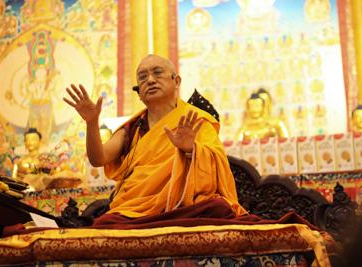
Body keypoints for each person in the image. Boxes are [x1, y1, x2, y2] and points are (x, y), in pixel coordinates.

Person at [63, 54, 247, 224]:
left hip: (185, 206)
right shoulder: (133, 128)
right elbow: (98, 159)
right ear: (139, 92)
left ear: (176, 81)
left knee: (218, 209)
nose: (150, 80)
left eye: (157, 73)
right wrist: (92, 122)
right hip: (136, 210)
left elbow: (216, 166)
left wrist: (191, 149)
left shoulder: (197, 120)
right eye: (143, 77)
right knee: (105, 223)